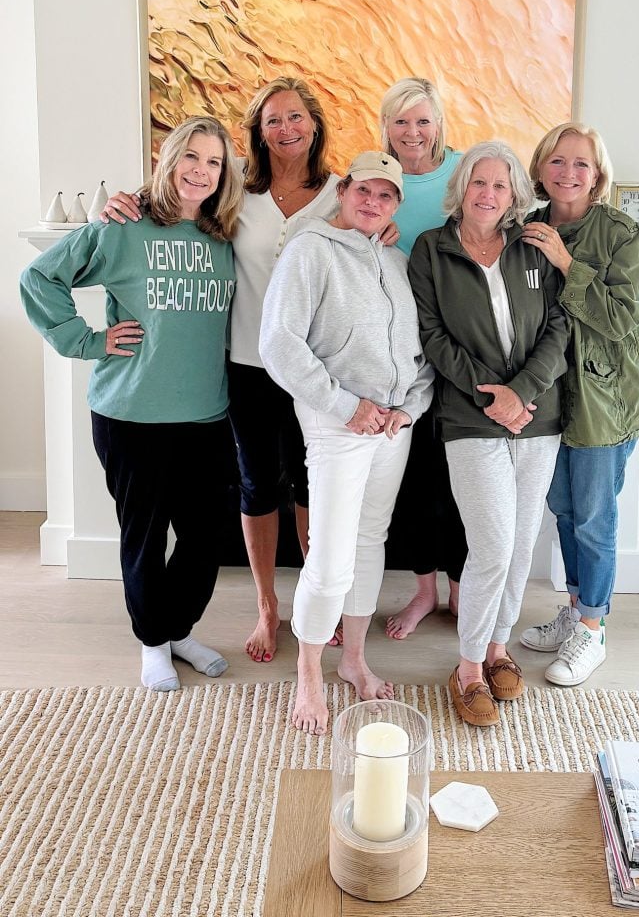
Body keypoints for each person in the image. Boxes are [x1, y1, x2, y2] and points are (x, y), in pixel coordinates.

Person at [99, 78, 396, 662]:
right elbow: (179, 194)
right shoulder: (237, 192)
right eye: (271, 121)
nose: (285, 129)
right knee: (259, 485)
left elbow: (373, 230)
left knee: (316, 486)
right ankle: (268, 606)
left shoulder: (340, 193)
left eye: (295, 117)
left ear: (314, 123)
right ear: (258, 133)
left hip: (321, 371)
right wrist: (125, 201)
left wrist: (383, 230)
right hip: (248, 364)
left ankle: (320, 597)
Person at [20, 116, 243, 691]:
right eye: (191, 156)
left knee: (206, 535)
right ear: (170, 159)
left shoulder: (224, 235)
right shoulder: (123, 226)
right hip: (132, 415)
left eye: (214, 162)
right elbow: (39, 278)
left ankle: (177, 628)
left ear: (224, 174)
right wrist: (86, 341)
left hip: (206, 414)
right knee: (142, 536)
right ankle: (152, 643)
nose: (201, 170)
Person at [259, 151, 432, 735]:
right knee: (330, 555)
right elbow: (280, 344)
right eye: (364, 190)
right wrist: (346, 407)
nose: (372, 202)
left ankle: (354, 660)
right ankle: (309, 675)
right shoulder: (310, 249)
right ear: (344, 190)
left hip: (391, 428)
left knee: (368, 541)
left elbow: (418, 356)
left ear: (396, 205)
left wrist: (408, 409)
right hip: (339, 425)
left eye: (386, 196)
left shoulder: (399, 263)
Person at [408, 141, 569, 727]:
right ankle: (469, 667)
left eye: (501, 186)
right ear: (462, 187)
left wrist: (521, 392)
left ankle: (499, 649)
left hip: (536, 415)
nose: (489, 194)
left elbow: (557, 324)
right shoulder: (432, 248)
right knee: (493, 544)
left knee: (522, 543)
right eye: (480, 183)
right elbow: (431, 335)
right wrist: (493, 396)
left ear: (513, 195)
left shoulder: (530, 246)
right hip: (470, 416)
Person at [519, 121, 639, 687]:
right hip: (549, 398)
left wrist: (568, 265)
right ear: (541, 168)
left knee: (595, 518)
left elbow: (621, 321)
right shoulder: (526, 228)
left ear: (597, 176)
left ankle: (594, 631)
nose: (568, 172)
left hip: (605, 400)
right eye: (557, 160)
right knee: (565, 510)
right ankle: (576, 610)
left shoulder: (620, 233)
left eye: (581, 163)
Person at [378, 77, 468, 639]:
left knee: (462, 475)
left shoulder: (464, 173)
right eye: (401, 121)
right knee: (412, 480)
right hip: (399, 352)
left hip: (461, 346)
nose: (413, 132)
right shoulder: (375, 180)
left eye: (423, 120)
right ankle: (423, 592)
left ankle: (462, 591)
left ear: (440, 124)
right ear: (385, 126)